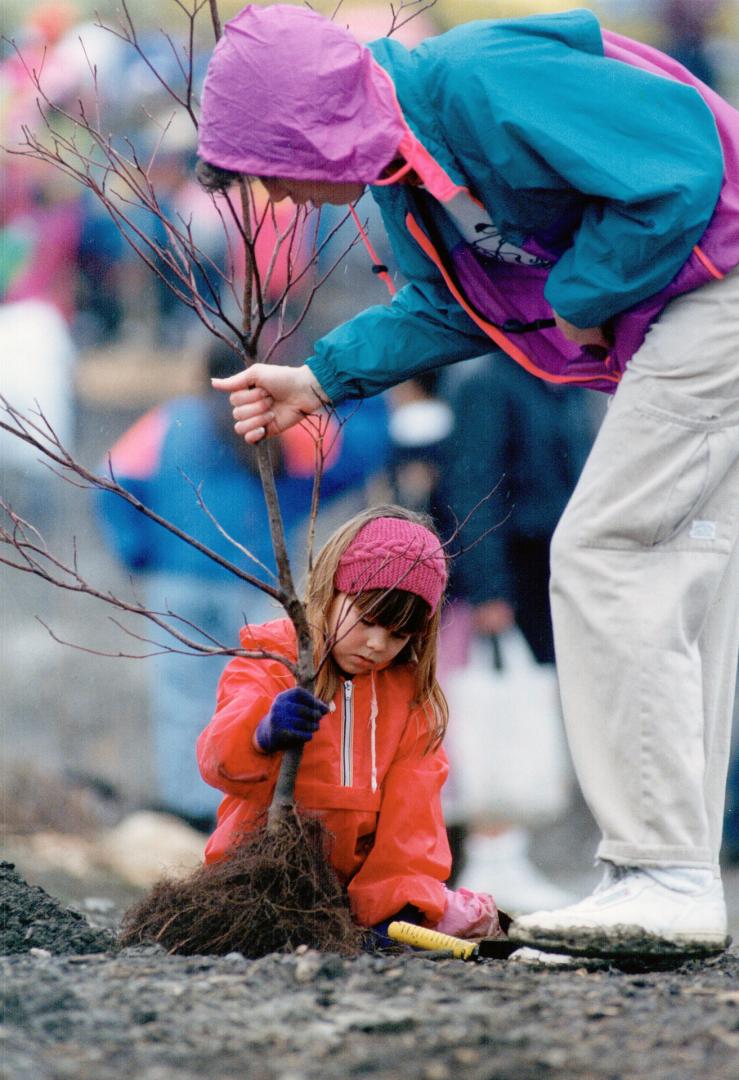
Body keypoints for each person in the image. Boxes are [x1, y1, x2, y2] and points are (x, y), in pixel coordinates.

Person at [198, 5, 739, 956]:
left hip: (718, 286)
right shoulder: (407, 179)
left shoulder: (477, 80)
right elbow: (457, 311)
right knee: (685, 571)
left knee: (608, 549)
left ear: (306, 125)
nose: (274, 200)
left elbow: (681, 166)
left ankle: (662, 873)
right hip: (687, 315)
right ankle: (669, 874)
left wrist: (579, 298)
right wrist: (319, 380)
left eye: (267, 169)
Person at [95, 341, 391, 832]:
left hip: (177, 579)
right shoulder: (277, 419)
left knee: (181, 695)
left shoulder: (171, 419)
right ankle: (247, 808)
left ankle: (190, 808)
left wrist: (138, 550)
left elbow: (112, 478)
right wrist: (371, 394)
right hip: (257, 581)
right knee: (257, 692)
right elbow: (350, 459)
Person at [196, 505, 503, 944]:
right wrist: (262, 734)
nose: (378, 644)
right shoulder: (272, 659)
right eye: (368, 620)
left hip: (352, 899)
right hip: (258, 883)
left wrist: (393, 911)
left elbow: (412, 827)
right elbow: (216, 760)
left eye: (399, 635)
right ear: (332, 590)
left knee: (452, 915)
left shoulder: (411, 701)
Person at [437, 354, 596, 913]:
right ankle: (490, 858)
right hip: (508, 576)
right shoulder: (485, 382)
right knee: (490, 717)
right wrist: (488, 589)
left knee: (523, 712)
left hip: (547, 575)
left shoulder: (565, 382)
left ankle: (510, 853)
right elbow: (473, 484)